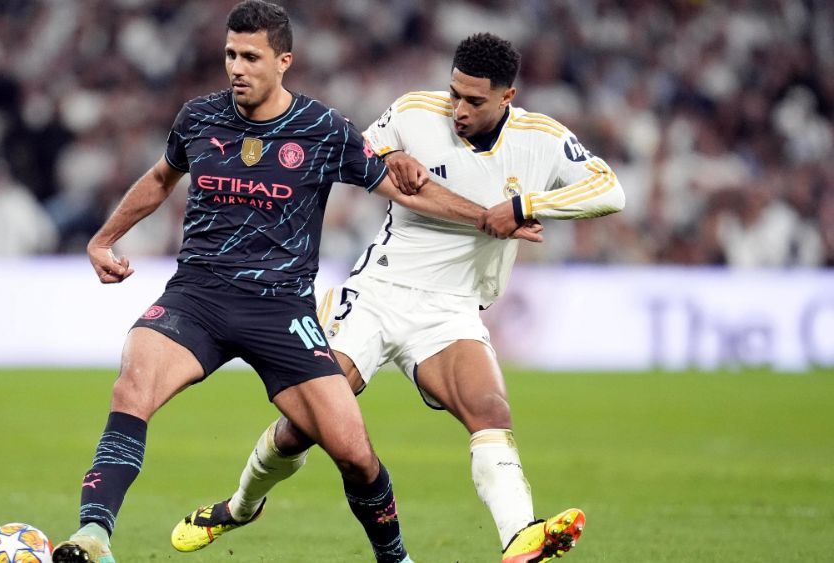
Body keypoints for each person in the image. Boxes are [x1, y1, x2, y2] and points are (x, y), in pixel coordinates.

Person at [51, 5, 526, 563]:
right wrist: (104, 239)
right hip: (197, 299)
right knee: (131, 387)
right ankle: (93, 535)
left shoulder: (323, 129)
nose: (236, 67)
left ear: (284, 61)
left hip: (281, 310)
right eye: (230, 54)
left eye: (250, 57)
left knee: (354, 454)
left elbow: (407, 192)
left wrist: (484, 216)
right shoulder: (199, 118)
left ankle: (395, 559)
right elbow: (161, 178)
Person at [170, 33, 624, 563]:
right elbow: (352, 151)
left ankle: (522, 536)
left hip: (450, 309)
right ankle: (240, 507)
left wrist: (526, 203)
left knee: (489, 410)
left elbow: (610, 190)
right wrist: (392, 155)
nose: (458, 109)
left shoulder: (541, 139)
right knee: (303, 429)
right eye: (454, 92)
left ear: (508, 97)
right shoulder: (413, 111)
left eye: (475, 101)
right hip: (376, 295)